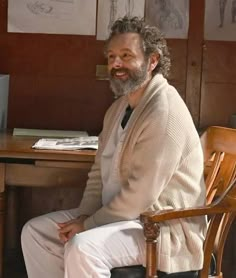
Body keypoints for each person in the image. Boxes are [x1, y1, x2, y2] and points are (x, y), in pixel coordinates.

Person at [21, 16, 207, 278]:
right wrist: (85, 215)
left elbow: (140, 196)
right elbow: (99, 174)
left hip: (160, 229)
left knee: (83, 247)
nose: (116, 63)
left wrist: (87, 224)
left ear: (152, 61)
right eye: (111, 56)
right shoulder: (118, 109)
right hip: (121, 219)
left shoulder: (164, 111)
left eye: (126, 55)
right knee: (36, 233)